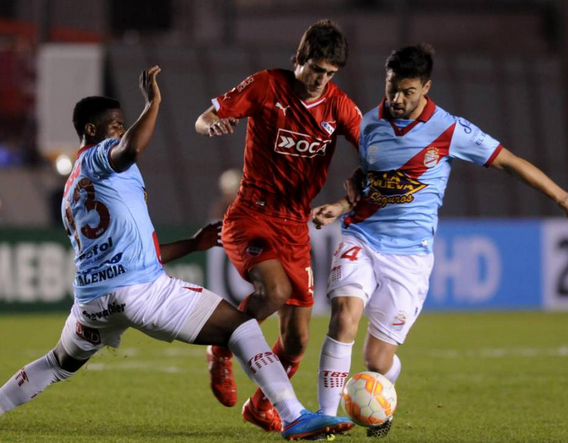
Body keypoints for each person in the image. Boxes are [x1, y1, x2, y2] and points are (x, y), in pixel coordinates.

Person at [0, 66, 355, 441]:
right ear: (92, 130)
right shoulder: (99, 157)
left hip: (93, 302)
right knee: (240, 327)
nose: (122, 130)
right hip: (139, 291)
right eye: (115, 124)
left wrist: (193, 243)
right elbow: (130, 148)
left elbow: (144, 251)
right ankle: (293, 415)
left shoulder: (73, 190)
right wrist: (153, 102)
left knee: (57, 363)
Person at [311, 44, 568, 438]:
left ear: (426, 88)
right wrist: (344, 204)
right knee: (344, 315)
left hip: (410, 258)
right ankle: (325, 420)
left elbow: (510, 162)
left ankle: (384, 392)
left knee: (376, 362)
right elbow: (371, 178)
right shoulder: (368, 124)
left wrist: (562, 197)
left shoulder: (450, 129)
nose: (397, 99)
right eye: (392, 88)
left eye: (408, 91)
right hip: (361, 236)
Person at [195, 20, 361, 432]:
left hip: (294, 226)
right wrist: (211, 124)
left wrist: (343, 203)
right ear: (299, 59)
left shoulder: (339, 106)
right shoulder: (268, 85)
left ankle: (259, 406)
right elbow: (205, 117)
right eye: (315, 69)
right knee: (276, 291)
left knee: (297, 341)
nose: (320, 80)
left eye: (329, 74)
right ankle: (220, 348)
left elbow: (375, 154)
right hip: (251, 213)